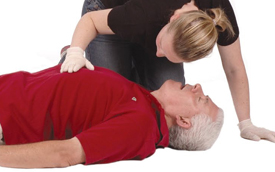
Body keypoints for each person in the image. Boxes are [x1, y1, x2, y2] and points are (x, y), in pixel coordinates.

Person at [59, 0, 275, 142]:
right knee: (110, 103)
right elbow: (90, 21)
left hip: (145, 25)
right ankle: (71, 53)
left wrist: (246, 122)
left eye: (170, 55)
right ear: (172, 19)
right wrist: (77, 51)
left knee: (167, 96)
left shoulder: (218, 13)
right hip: (104, 14)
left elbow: (234, 68)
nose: (158, 54)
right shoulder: (144, 15)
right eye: (161, 46)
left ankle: (128, 66)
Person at [0, 64, 224, 168]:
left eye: (200, 99)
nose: (198, 86)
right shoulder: (146, 102)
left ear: (183, 121)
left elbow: (65, 154)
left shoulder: (140, 128)